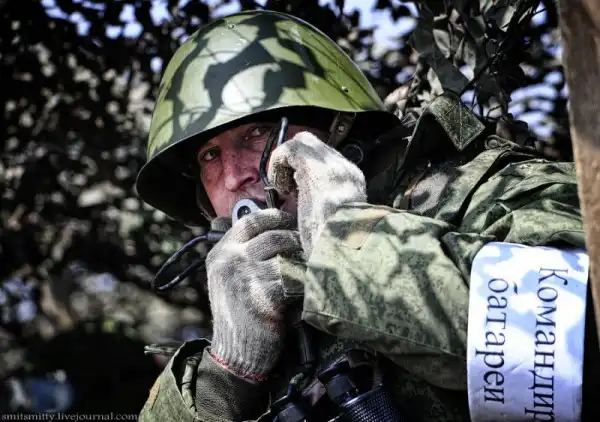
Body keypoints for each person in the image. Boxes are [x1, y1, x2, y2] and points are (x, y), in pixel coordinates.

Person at [134, 9, 596, 422]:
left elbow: (569, 343)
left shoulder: (488, 192)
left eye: (256, 133)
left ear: (335, 128)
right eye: (210, 155)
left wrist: (349, 244)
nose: (235, 175)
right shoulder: (249, 312)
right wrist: (226, 376)